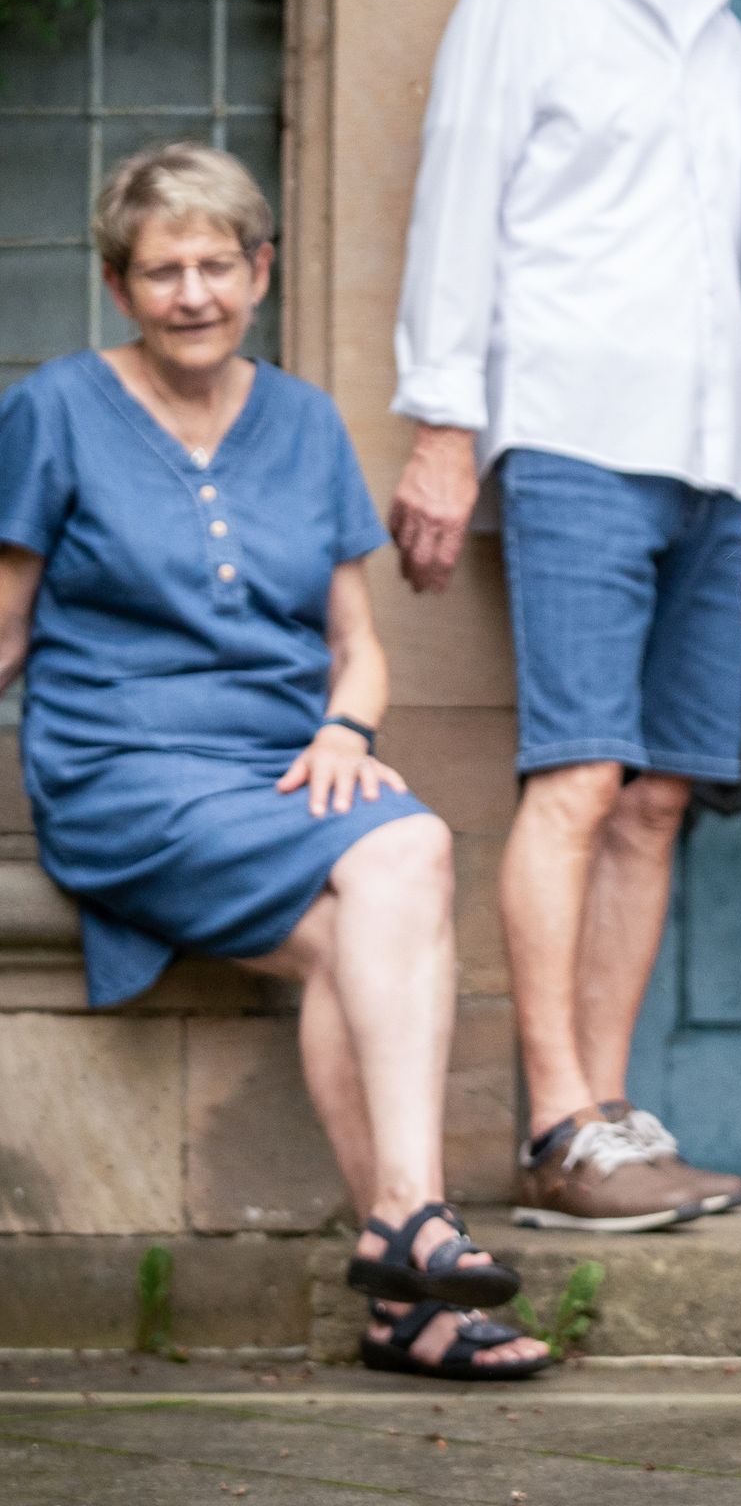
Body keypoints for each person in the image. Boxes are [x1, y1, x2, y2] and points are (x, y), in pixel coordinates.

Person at [0, 143, 549, 1381]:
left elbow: (356, 647)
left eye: (216, 265)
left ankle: (407, 1281)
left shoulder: (302, 420)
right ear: (118, 286)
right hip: (121, 770)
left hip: (287, 768)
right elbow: (6, 626)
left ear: (260, 271)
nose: (192, 293)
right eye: (162, 271)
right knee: (409, 847)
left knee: (363, 920)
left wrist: (345, 729)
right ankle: (417, 1225)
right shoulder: (55, 410)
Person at [388, 0, 741, 1229]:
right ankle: (554, 1120)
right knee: (580, 773)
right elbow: (456, 205)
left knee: (661, 794)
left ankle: (608, 1125)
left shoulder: (731, 33)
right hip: (571, 440)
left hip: (716, 461)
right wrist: (443, 422)